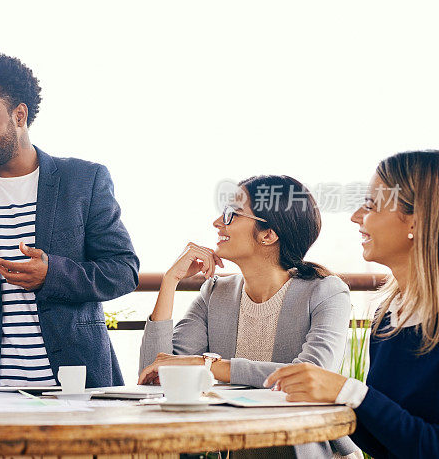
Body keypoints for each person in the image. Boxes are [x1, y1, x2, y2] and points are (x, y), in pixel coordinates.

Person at [0, 53, 139, 389]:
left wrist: (53, 274)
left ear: (19, 115)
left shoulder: (84, 180)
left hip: (77, 388)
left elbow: (124, 271)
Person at [138, 175, 359, 458]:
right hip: (233, 448)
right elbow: (154, 374)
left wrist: (208, 366)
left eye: (231, 214)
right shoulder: (216, 291)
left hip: (299, 447)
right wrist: (170, 281)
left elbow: (309, 376)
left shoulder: (326, 291)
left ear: (268, 234)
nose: (218, 222)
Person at [266, 151, 439, 458]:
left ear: (416, 219)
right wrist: (337, 398)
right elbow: (387, 441)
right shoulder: (389, 316)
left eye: (371, 205)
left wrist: (350, 392)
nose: (356, 215)